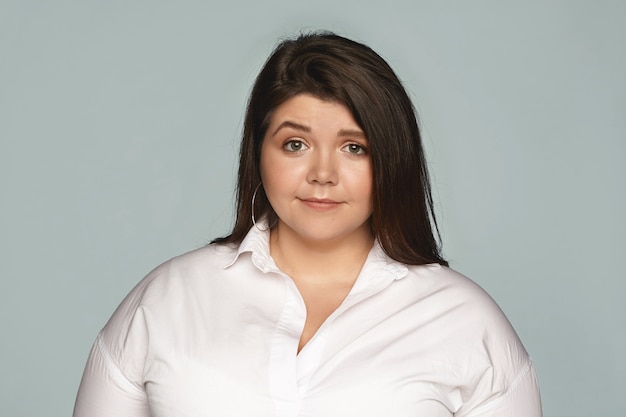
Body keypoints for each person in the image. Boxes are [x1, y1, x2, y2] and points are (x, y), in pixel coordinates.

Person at [74, 31, 542, 416]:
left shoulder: (464, 322)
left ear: (391, 160)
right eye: (295, 144)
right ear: (259, 153)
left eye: (354, 147)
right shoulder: (165, 300)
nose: (322, 174)